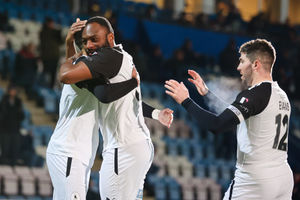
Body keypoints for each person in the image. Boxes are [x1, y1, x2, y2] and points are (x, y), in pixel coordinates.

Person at [47, 17, 173, 200]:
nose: (89, 45)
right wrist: (133, 83)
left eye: (93, 40)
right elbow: (102, 93)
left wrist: (154, 112)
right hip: (73, 151)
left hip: (121, 148)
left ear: (111, 38)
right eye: (85, 42)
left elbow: (106, 94)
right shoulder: (122, 59)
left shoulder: (105, 60)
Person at [165, 39, 293, 199]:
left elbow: (217, 125)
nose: (238, 67)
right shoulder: (280, 94)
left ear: (256, 64)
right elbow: (239, 114)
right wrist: (207, 93)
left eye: (242, 61)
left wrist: (186, 101)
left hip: (256, 178)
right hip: (283, 176)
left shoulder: (254, 94)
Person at [0, 84, 24, 165]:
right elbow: (2, 115)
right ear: (9, 91)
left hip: (15, 129)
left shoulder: (18, 101)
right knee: (5, 149)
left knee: (15, 149)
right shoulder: (4, 100)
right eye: (12, 90)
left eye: (15, 90)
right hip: (5, 130)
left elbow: (21, 116)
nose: (14, 92)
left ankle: (14, 167)